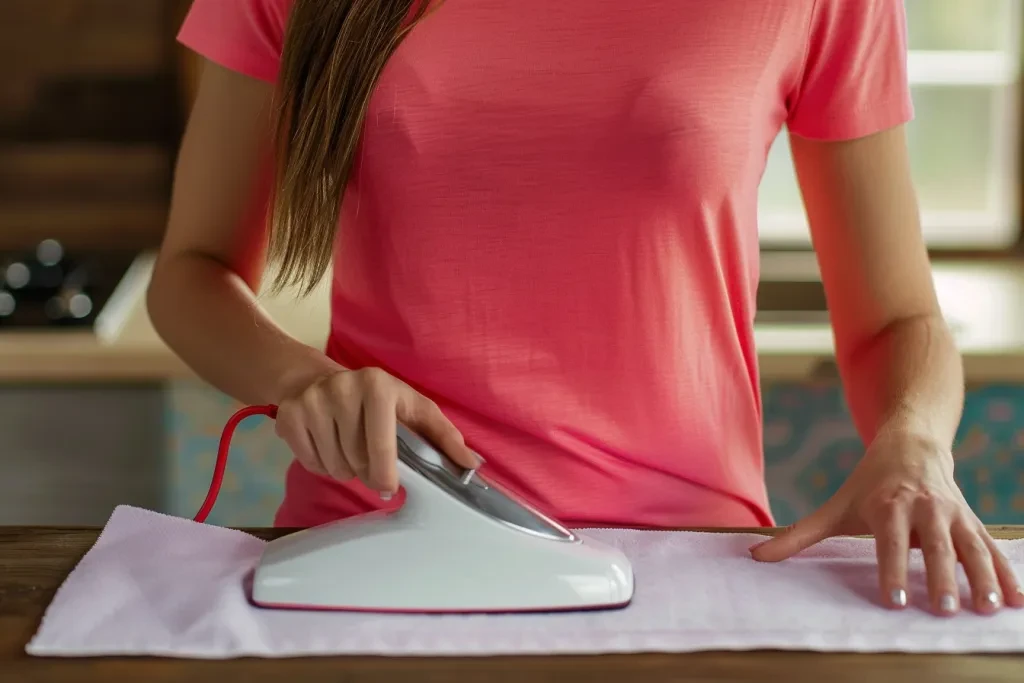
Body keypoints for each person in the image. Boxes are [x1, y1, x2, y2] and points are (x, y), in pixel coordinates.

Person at [151, 0, 1022, 616]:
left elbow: (896, 321)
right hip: (377, 549)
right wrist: (306, 380)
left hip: (682, 571)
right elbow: (190, 273)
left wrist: (915, 443)